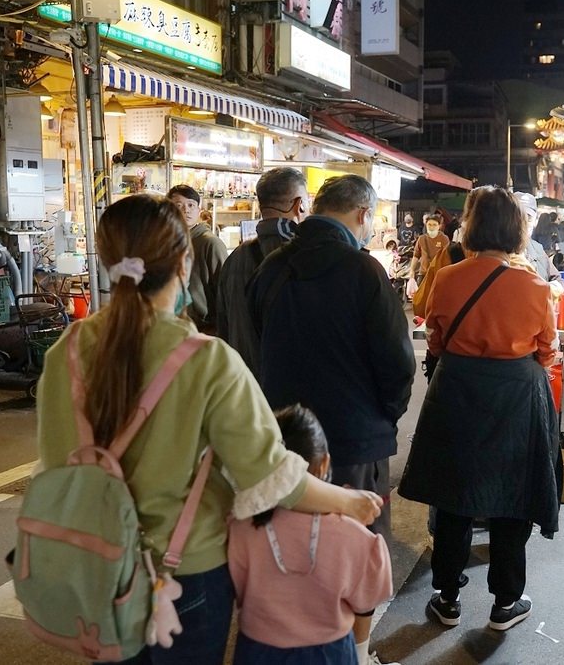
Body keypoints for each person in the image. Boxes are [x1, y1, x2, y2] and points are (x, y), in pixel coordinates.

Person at [35, 194, 382, 664]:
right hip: (187, 573)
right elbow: (272, 480)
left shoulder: (67, 351)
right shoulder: (206, 359)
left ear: (107, 261)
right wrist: (351, 501)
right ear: (183, 263)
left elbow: (58, 466)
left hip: (98, 565)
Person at [399, 186, 561, 633]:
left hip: (458, 391)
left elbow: (435, 338)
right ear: (516, 229)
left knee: (455, 493)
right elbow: (547, 352)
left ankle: (447, 597)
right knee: (513, 496)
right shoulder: (534, 285)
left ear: (470, 226)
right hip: (515, 397)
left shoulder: (448, 277)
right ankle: (505, 603)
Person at [247, 175, 416, 536]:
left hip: (287, 442)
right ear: (363, 214)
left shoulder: (271, 268)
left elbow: (258, 340)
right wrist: (383, 417)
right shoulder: (365, 270)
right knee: (357, 554)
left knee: (292, 548)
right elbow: (398, 362)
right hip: (356, 441)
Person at [228, 405, 394, 665]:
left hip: (257, 650)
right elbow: (371, 596)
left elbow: (234, 587)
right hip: (330, 652)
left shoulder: (241, 527)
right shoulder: (350, 532)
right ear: (324, 463)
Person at [216, 167, 307, 376]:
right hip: (290, 390)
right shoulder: (304, 256)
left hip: (243, 386)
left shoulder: (235, 258)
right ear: (299, 205)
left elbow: (223, 326)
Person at [168, 184, 228, 335]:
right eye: (179, 205)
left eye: (191, 205)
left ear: (199, 211)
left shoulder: (210, 243)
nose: (186, 210)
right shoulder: (168, 242)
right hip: (176, 326)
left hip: (204, 328)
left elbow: (224, 289)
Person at [514, 192, 562, 282]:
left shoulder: (538, 250)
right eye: (518, 217)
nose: (523, 223)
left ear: (535, 219)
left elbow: (557, 278)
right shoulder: (500, 252)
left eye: (528, 218)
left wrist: (561, 289)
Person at [413, 215, 450, 280]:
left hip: (439, 274)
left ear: (439, 226)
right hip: (424, 274)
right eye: (429, 224)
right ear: (426, 225)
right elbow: (416, 256)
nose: (431, 227)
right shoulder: (421, 239)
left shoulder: (444, 239)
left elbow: (447, 257)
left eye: (434, 225)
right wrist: (412, 271)